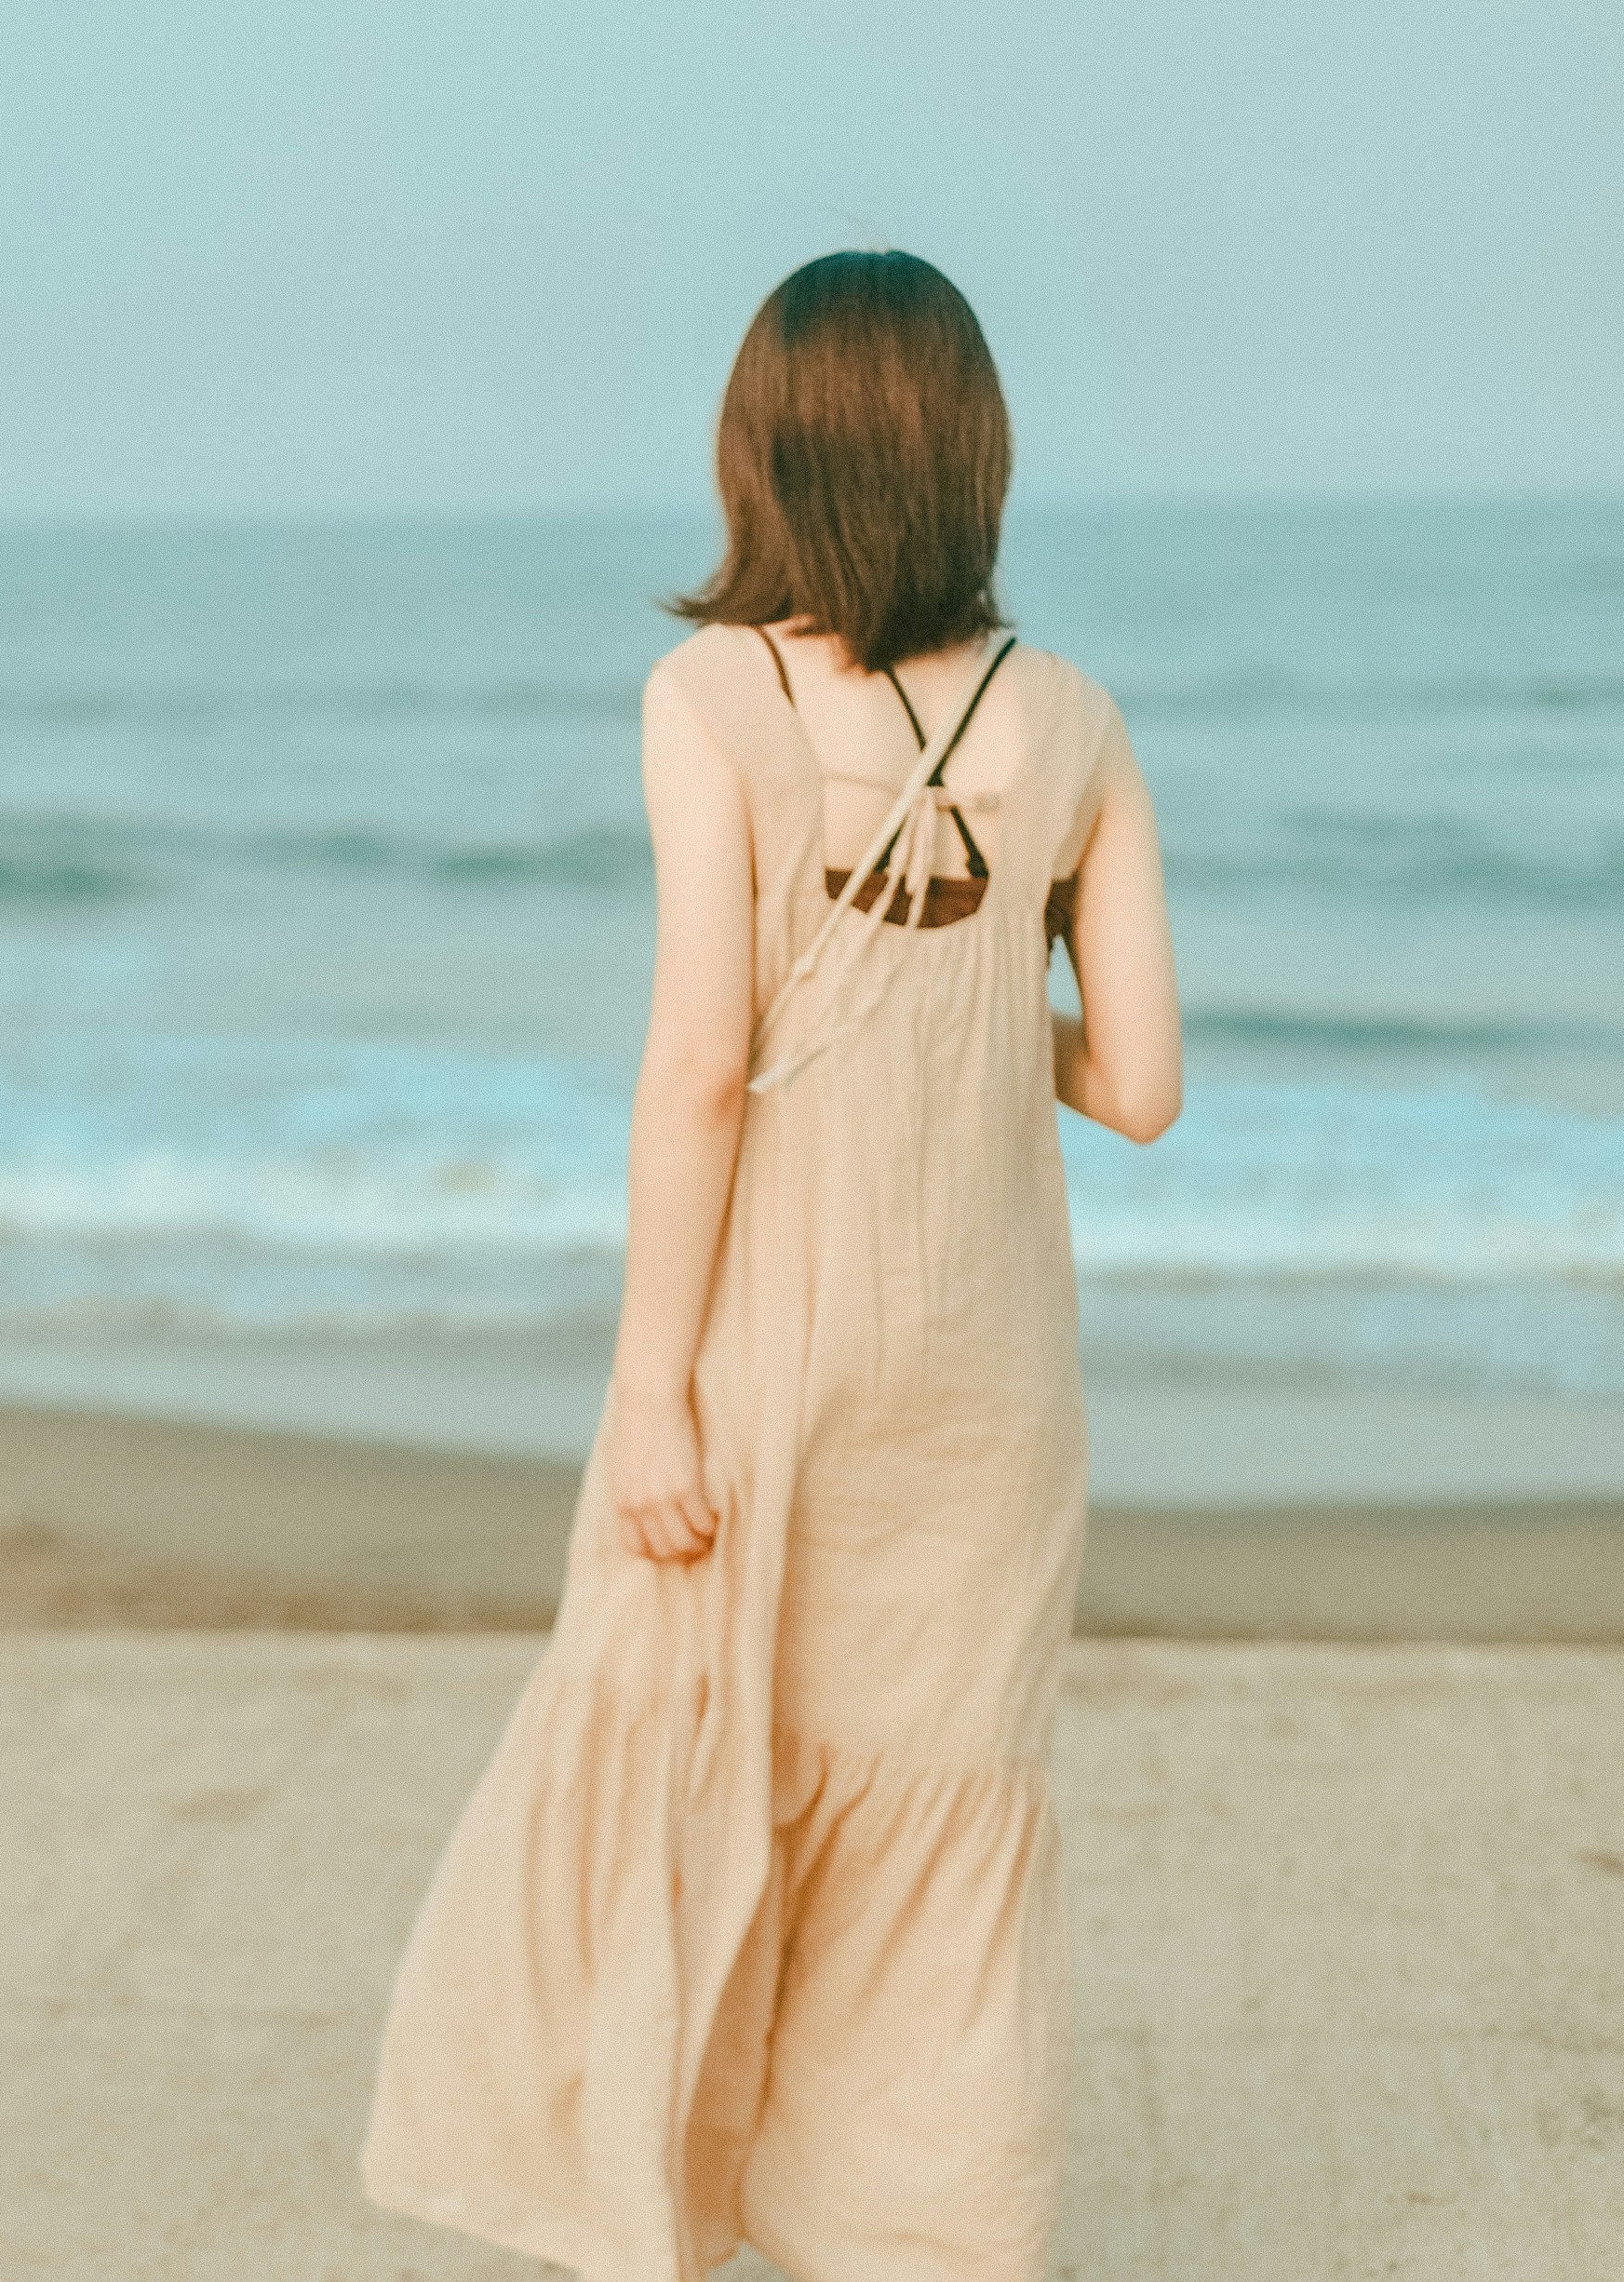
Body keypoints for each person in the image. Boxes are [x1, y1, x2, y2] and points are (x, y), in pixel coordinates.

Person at [361, 252, 1182, 2281]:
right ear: (971, 454)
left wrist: (650, 1389)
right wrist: (995, 1013)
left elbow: (701, 1064)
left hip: (769, 1354)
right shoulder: (1072, 719)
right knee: (939, 1830)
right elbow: (1145, 1086)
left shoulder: (713, 697)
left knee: (684, 1775)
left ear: (767, 452)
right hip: (988, 1387)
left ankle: (668, 2212)